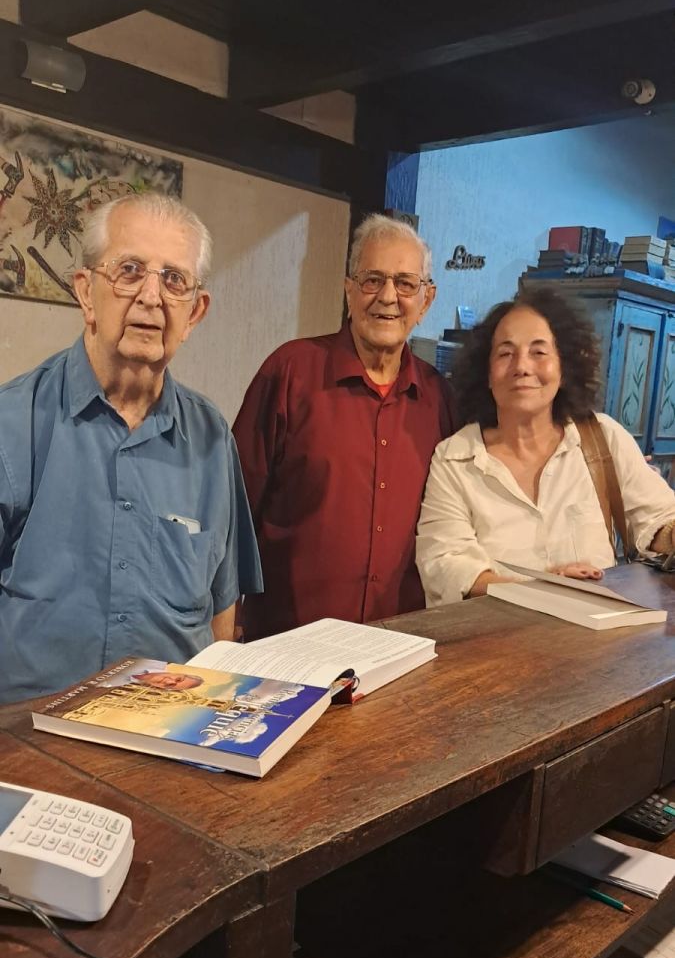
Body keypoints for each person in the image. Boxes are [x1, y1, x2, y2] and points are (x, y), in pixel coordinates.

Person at [0, 192, 262, 702]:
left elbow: (222, 613)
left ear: (195, 313)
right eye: (129, 270)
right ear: (86, 292)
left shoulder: (212, 437)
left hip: (169, 726)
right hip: (29, 733)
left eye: (174, 280)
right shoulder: (12, 422)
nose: (151, 296)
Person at [233, 213, 454, 639]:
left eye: (405, 283)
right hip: (288, 640)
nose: (387, 297)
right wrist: (229, 618)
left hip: (397, 641)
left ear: (426, 300)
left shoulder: (439, 397)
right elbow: (235, 506)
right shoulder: (291, 372)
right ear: (349, 289)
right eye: (373, 280)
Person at [416, 288, 675, 605]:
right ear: (486, 373)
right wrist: (538, 589)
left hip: (597, 632)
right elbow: (445, 564)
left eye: (539, 352)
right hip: (497, 633)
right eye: (505, 354)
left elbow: (660, 518)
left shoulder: (602, 437)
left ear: (564, 368)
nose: (522, 367)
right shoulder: (454, 458)